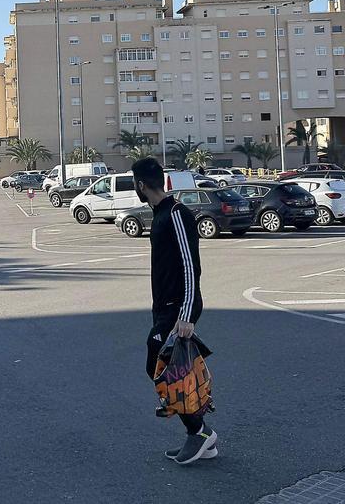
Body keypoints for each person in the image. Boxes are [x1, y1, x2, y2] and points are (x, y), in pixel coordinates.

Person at [131, 157, 217, 465]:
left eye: (135, 184)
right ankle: (201, 436)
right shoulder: (159, 215)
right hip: (164, 308)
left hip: (178, 308)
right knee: (173, 370)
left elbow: (191, 267)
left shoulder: (176, 214)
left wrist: (187, 314)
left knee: (160, 364)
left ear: (141, 185)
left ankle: (202, 434)